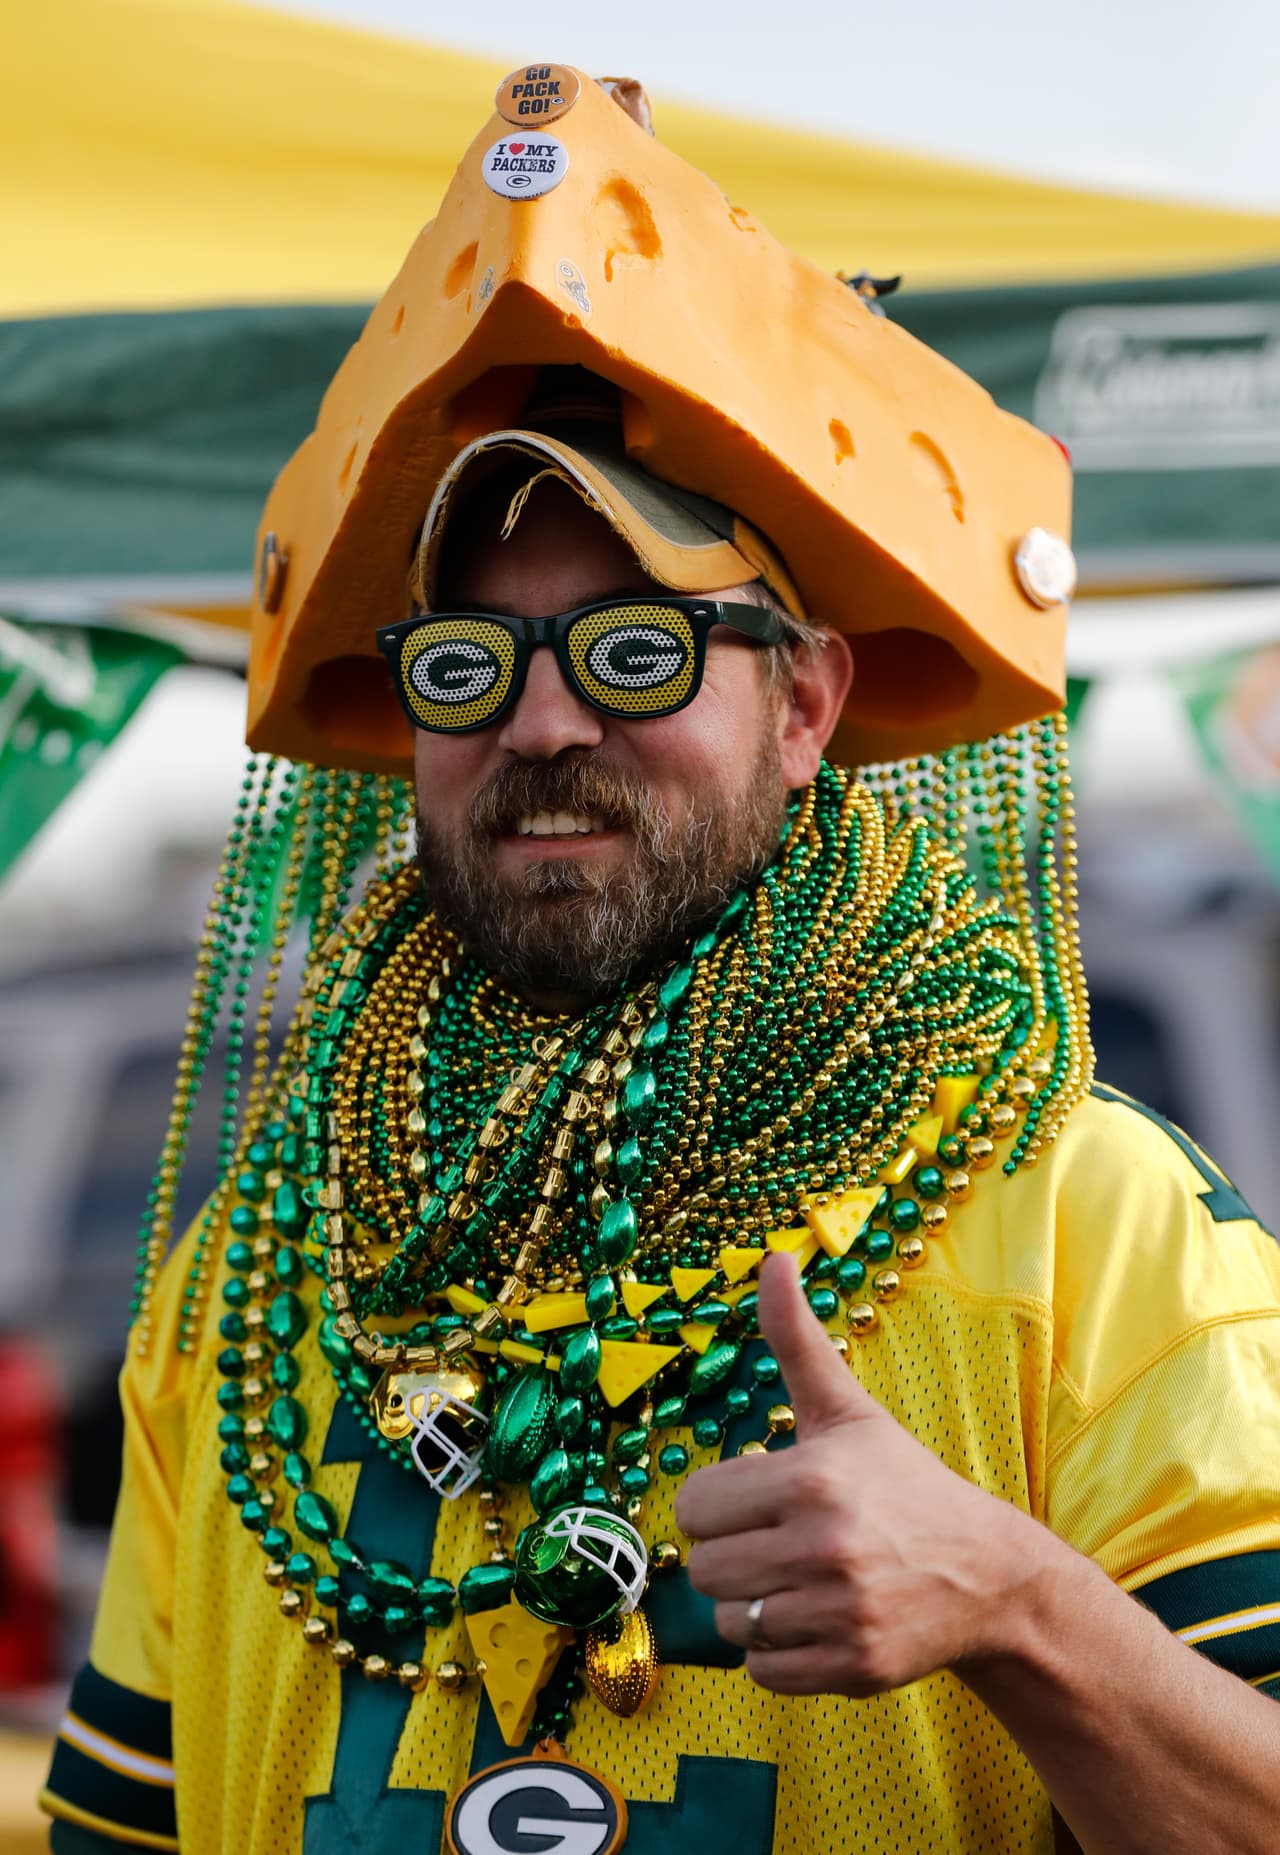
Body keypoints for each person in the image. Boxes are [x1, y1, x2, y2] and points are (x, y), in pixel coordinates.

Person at [40, 65, 1280, 1855]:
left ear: (807, 703)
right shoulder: (248, 1281)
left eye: (633, 648)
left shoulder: (1091, 1236)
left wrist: (1025, 1612)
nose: (540, 725)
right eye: (465, 664)